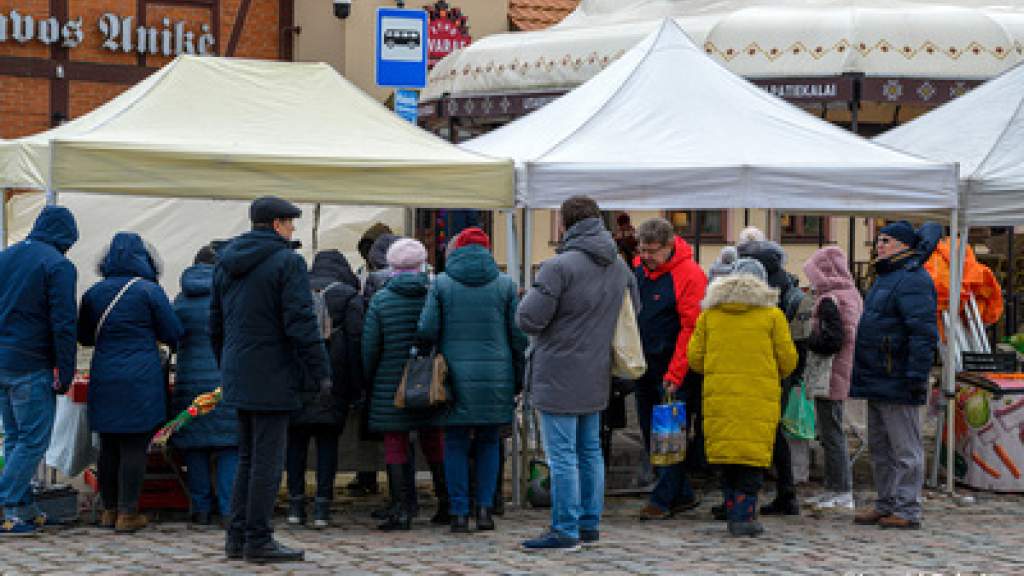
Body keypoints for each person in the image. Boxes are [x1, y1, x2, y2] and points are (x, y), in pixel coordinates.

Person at [211, 196, 330, 563]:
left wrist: (228, 367)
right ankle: (258, 538)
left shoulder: (225, 263)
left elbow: (215, 324)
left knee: (248, 457)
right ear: (278, 224)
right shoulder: (287, 262)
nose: (293, 229)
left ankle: (238, 536)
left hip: (239, 370)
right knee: (266, 460)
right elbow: (301, 323)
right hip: (274, 373)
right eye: (290, 223)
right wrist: (320, 370)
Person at [517, 195, 636, 551]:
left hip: (558, 370)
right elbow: (631, 315)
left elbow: (528, 318)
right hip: (597, 369)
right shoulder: (620, 267)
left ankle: (565, 529)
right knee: (589, 451)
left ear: (564, 225)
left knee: (564, 454)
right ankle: (588, 524)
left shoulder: (559, 267)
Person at [417, 227, 527, 533]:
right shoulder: (506, 285)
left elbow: (426, 329)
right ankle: (484, 510)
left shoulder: (441, 283)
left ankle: (459, 513)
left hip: (454, 375)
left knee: (454, 442)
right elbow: (518, 337)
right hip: (496, 375)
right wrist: (517, 375)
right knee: (490, 441)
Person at [78, 232, 183, 534]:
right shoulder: (149, 291)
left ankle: (109, 510)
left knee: (108, 444)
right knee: (135, 444)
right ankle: (128, 512)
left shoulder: (94, 293)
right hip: (141, 376)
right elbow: (173, 331)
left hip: (105, 373)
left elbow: (84, 337)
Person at [688, 257, 798, 537]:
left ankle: (731, 508)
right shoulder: (772, 316)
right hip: (758, 399)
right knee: (752, 458)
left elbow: (695, 360)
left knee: (727, 458)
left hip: (720, 398)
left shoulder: (710, 314)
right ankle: (744, 516)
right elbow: (788, 361)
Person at [851, 221, 941, 530]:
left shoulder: (912, 279)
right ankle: (886, 502)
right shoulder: (887, 276)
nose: (879, 245)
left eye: (886, 240)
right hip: (878, 374)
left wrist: (916, 374)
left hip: (898, 375)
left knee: (904, 449)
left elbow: (923, 332)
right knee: (881, 447)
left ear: (903, 245)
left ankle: (907, 507)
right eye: (878, 240)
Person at [0, 206, 78, 535]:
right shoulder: (58, 265)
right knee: (34, 440)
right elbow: (63, 322)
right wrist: (67, 367)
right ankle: (6, 503)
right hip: (31, 361)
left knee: (16, 438)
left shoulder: (5, 256)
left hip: (2, 359)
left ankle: (23, 508)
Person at [362, 238, 446, 531]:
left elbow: (370, 348)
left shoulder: (381, 300)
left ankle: (401, 509)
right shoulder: (435, 294)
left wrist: (370, 378)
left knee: (395, 442)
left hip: (390, 380)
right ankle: (445, 503)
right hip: (430, 379)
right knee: (434, 439)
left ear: (392, 265)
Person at [632, 218, 706, 519]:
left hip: (672, 368)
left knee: (668, 433)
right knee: (651, 432)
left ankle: (662, 499)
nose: (646, 256)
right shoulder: (640, 269)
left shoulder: (690, 275)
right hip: (644, 365)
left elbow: (691, 329)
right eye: (643, 249)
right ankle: (682, 493)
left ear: (669, 246)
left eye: (652, 251)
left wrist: (675, 374)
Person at [286, 250, 364, 529]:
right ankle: (322, 506)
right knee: (327, 443)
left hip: (297, 377)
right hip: (334, 378)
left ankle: (295, 504)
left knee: (295, 443)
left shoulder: (294, 289)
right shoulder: (349, 297)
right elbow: (356, 344)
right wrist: (357, 388)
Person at [737, 228, 804, 516]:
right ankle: (785, 491)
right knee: (774, 433)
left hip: (762, 372)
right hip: (778, 372)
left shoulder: (763, 293)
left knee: (765, 433)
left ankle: (755, 494)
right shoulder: (787, 285)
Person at [172, 244, 238, 527]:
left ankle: (199, 509)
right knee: (229, 445)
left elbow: (173, 337)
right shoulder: (228, 296)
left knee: (194, 447)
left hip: (189, 381)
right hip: (223, 380)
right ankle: (227, 509)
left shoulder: (180, 300)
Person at [802, 246, 863, 510]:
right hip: (842, 369)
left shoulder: (830, 299)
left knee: (831, 433)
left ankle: (839, 489)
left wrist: (807, 340)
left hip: (831, 372)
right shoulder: (851, 294)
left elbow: (832, 340)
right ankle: (835, 488)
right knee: (832, 430)